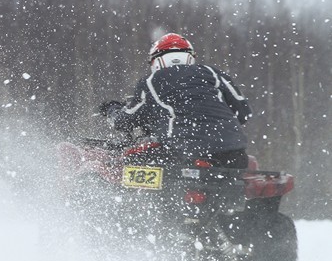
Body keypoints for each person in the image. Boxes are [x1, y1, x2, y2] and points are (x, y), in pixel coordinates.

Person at [98, 33, 252, 168]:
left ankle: (121, 199)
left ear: (155, 60)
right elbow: (243, 113)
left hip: (183, 153)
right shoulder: (212, 73)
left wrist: (112, 109)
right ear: (190, 56)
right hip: (234, 153)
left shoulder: (151, 81)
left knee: (126, 162)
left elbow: (126, 120)